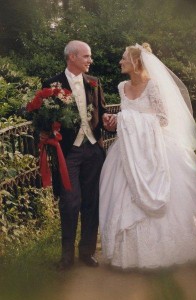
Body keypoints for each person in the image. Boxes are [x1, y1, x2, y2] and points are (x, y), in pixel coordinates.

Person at [99, 43, 196, 269]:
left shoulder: (153, 86)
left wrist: (126, 119)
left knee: (170, 195)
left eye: (124, 58)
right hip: (128, 151)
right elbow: (126, 116)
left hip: (156, 149)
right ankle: (128, 256)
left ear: (136, 62)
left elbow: (162, 119)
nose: (120, 62)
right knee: (122, 195)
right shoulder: (122, 86)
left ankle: (165, 254)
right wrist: (115, 121)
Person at [42, 40, 115, 270]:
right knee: (70, 203)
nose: (90, 60)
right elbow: (43, 118)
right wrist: (46, 130)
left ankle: (87, 252)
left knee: (92, 202)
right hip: (68, 153)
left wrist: (108, 121)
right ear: (72, 57)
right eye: (86, 56)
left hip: (93, 150)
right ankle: (66, 256)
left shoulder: (94, 82)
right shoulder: (52, 83)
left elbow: (102, 112)